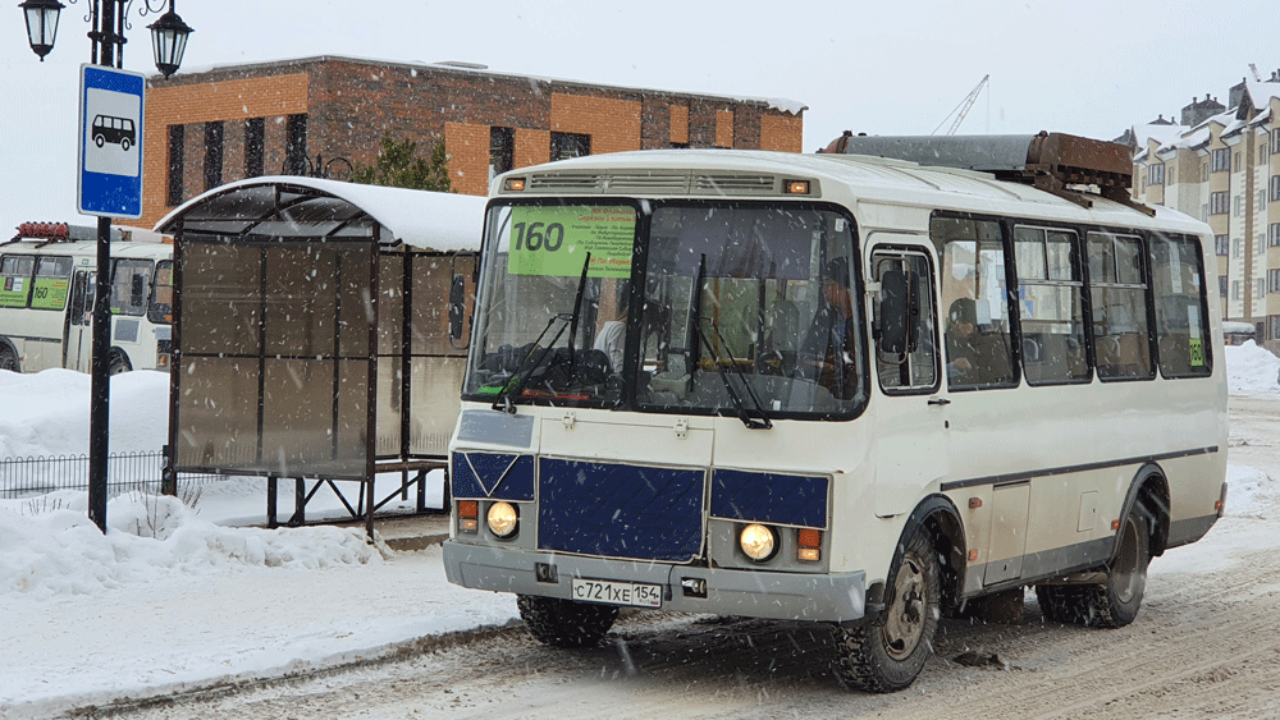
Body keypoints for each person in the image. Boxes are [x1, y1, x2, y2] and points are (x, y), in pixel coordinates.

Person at [800, 259, 858, 399]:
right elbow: (807, 354)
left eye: (828, 284)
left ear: (846, 288)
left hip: (853, 399)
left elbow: (858, 369)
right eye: (823, 285)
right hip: (826, 393)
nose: (824, 290)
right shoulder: (825, 317)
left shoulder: (863, 322)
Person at [944, 297, 980, 383]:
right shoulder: (942, 344)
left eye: (964, 323)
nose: (959, 327)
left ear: (974, 326)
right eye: (955, 322)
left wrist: (971, 369)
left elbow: (992, 377)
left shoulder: (987, 345)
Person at [593, 303, 627, 375]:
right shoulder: (620, 328)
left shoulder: (611, 327)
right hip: (608, 376)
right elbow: (617, 355)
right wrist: (623, 376)